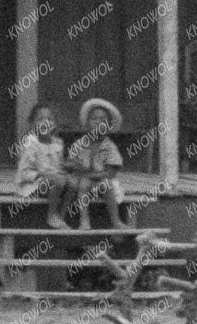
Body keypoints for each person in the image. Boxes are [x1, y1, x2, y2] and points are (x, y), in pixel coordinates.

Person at [15, 102, 82, 229]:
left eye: (50, 119)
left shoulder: (57, 143)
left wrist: (68, 165)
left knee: (73, 182)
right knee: (58, 181)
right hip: (33, 185)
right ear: (32, 124)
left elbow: (58, 166)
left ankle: (60, 217)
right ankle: (51, 215)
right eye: (40, 119)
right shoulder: (31, 145)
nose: (45, 123)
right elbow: (23, 173)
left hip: (54, 183)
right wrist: (43, 174)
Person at [67, 97, 126, 228]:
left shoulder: (109, 146)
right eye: (94, 118)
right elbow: (71, 164)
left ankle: (115, 220)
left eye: (103, 119)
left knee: (106, 184)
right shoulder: (79, 144)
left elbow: (110, 173)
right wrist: (73, 165)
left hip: (102, 181)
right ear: (87, 123)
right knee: (83, 184)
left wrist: (90, 176)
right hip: (83, 181)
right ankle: (84, 220)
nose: (98, 123)